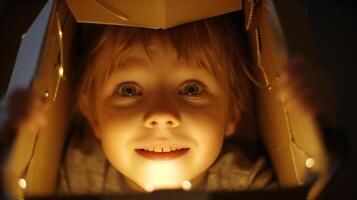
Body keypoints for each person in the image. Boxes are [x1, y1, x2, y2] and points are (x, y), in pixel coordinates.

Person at [0, 14, 338, 195]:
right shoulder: (78, 175)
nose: (161, 116)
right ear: (92, 116)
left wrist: (324, 130)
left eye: (191, 89)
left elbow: (320, 183)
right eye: (129, 90)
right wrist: (9, 131)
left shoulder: (243, 184)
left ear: (232, 113)